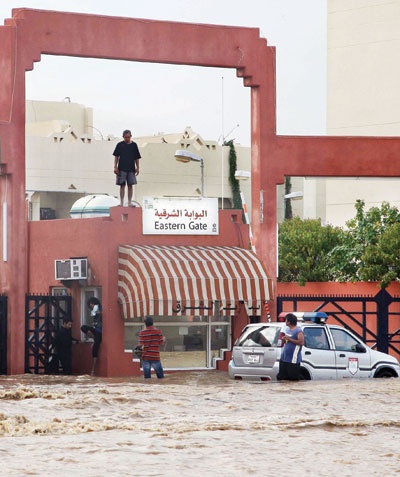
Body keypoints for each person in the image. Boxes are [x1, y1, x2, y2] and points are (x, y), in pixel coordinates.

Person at [113, 129, 141, 206]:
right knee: (122, 185)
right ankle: (121, 202)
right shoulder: (120, 145)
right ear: (123, 137)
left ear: (131, 136)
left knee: (130, 185)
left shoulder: (134, 145)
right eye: (125, 137)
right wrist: (115, 167)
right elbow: (116, 156)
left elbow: (137, 157)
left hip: (131, 169)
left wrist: (137, 167)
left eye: (128, 137)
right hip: (121, 168)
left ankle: (129, 202)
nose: (127, 139)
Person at [277, 313, 304, 381]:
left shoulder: (298, 331)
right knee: (282, 377)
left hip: (293, 359)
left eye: (286, 320)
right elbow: (288, 341)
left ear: (289, 321)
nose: (285, 322)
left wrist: (289, 339)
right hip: (284, 357)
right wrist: (285, 339)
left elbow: (301, 342)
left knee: (293, 379)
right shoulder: (287, 330)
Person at [83, 297, 103, 375]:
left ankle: (93, 369)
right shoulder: (93, 310)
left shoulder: (100, 308)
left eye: (91, 304)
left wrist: (99, 312)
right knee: (83, 327)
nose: (90, 305)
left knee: (96, 347)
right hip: (95, 329)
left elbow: (103, 313)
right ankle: (93, 338)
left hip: (100, 331)